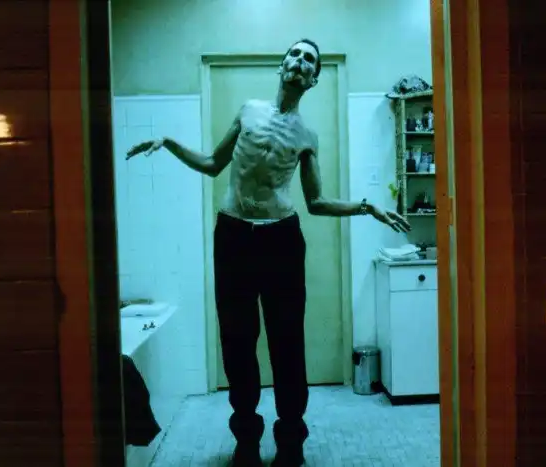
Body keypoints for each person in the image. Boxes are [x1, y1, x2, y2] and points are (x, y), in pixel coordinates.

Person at [126, 38, 411, 467]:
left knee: (287, 343)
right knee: (237, 342)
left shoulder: (307, 136)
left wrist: (367, 207)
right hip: (233, 237)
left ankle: (291, 442)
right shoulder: (248, 111)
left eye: (309, 60)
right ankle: (246, 440)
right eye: (295, 54)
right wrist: (169, 142)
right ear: (282, 67)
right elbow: (212, 164)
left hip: (281, 240)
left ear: (313, 79)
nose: (300, 61)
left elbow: (316, 202)